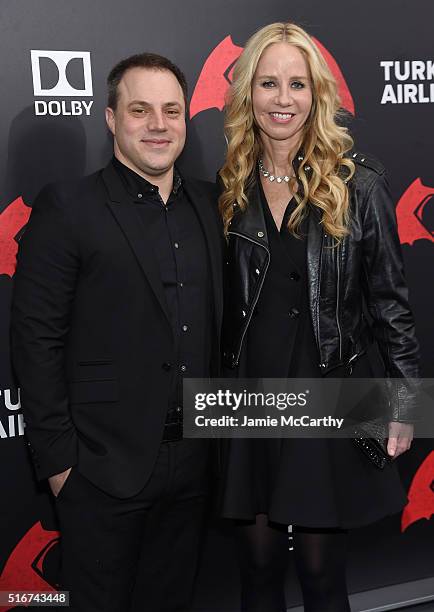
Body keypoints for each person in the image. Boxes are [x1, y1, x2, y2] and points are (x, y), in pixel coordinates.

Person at [218, 22, 419, 612]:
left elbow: (391, 304)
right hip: (248, 398)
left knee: (320, 572)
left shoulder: (361, 183)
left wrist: (405, 406)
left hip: (331, 395)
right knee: (254, 569)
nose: (283, 99)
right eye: (268, 83)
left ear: (317, 94)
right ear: (247, 94)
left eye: (297, 84)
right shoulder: (228, 185)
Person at [11, 52, 223, 611]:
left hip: (198, 466)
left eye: (171, 111)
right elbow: (36, 340)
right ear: (111, 119)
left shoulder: (211, 203)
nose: (158, 124)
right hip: (103, 469)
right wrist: (61, 466)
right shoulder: (68, 207)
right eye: (140, 110)